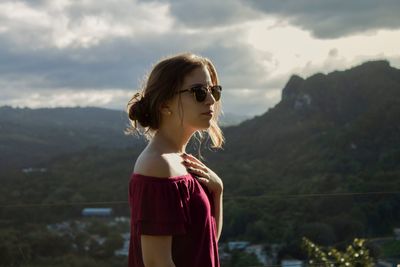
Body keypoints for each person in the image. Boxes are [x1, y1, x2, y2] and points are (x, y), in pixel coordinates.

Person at [125, 53, 225, 267]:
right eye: (199, 92)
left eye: (213, 91)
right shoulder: (157, 166)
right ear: (164, 104)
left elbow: (206, 245)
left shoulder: (180, 162)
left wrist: (217, 192)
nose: (211, 100)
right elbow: (156, 262)